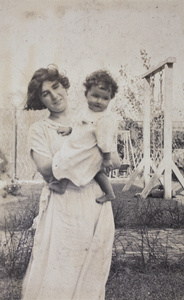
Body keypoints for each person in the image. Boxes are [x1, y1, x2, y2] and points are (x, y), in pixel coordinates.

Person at [21, 66, 115, 300]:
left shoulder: (92, 116)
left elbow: (113, 159)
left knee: (91, 269)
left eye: (56, 87)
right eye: (45, 93)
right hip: (63, 204)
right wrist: (89, 158)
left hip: (94, 201)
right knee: (58, 269)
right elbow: (45, 168)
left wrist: (97, 157)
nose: (54, 95)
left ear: (64, 86)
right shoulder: (39, 129)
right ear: (40, 100)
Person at [51, 70, 121, 204]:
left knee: (95, 171)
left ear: (110, 98)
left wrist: (106, 159)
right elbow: (78, 122)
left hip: (92, 150)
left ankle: (109, 193)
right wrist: (69, 129)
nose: (99, 101)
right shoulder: (84, 110)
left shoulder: (104, 118)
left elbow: (105, 141)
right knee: (65, 159)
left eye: (105, 98)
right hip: (79, 145)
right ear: (86, 94)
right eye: (95, 96)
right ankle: (62, 185)